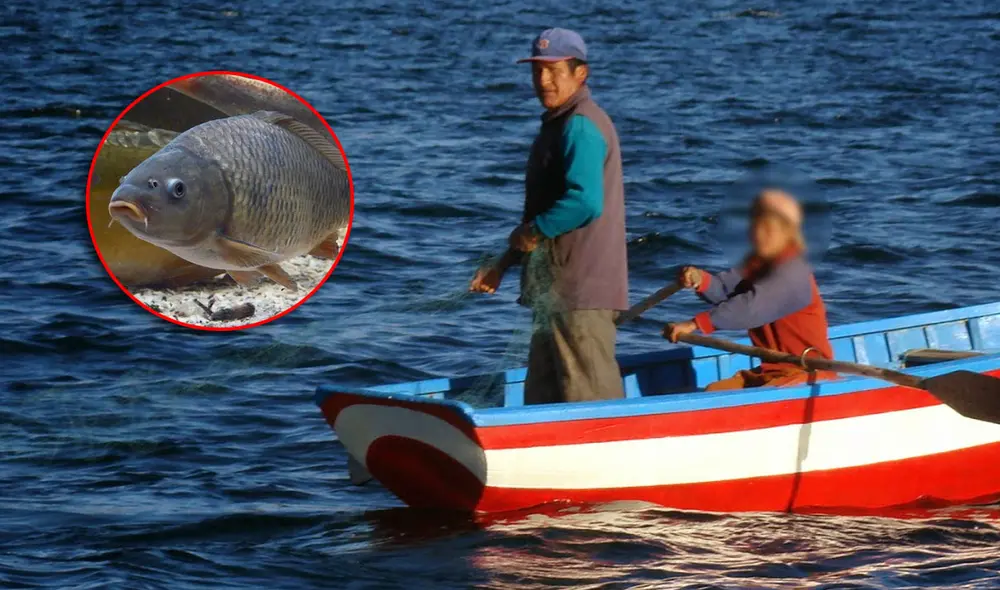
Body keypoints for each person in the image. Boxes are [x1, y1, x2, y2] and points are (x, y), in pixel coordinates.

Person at [469, 28, 628, 405]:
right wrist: (504, 264)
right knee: (544, 398)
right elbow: (538, 219)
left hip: (580, 292)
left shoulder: (581, 125)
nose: (543, 80)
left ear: (580, 74)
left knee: (590, 403)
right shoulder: (559, 124)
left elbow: (585, 202)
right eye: (537, 71)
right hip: (553, 291)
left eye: (554, 71)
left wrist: (534, 230)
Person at [663, 189, 837, 391]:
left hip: (809, 373)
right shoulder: (757, 265)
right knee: (714, 391)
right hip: (772, 373)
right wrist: (700, 280)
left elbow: (751, 307)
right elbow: (724, 290)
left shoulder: (793, 272)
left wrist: (694, 324)